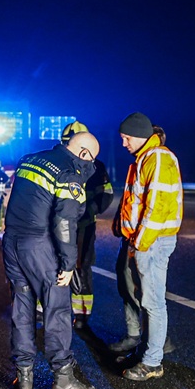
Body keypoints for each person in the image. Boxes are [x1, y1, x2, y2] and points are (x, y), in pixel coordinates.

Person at [2, 130, 100, 389]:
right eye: (91, 160)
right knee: (57, 309)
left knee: (22, 308)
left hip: (12, 243)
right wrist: (68, 264)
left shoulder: (30, 159)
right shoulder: (68, 174)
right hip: (40, 246)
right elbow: (64, 222)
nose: (90, 166)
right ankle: (63, 379)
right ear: (83, 153)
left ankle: (24, 378)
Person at [109, 113, 183, 381]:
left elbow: (157, 207)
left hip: (151, 241)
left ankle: (153, 363)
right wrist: (123, 229)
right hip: (141, 240)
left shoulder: (158, 158)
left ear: (140, 135)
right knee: (144, 298)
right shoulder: (144, 158)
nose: (124, 143)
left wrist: (139, 243)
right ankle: (146, 352)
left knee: (153, 301)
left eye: (126, 138)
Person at [60, 121, 114, 331]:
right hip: (58, 225)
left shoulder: (97, 167)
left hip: (84, 226)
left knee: (82, 268)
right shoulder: (58, 163)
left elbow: (106, 194)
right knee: (51, 264)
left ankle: (82, 314)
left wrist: (87, 210)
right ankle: (42, 310)